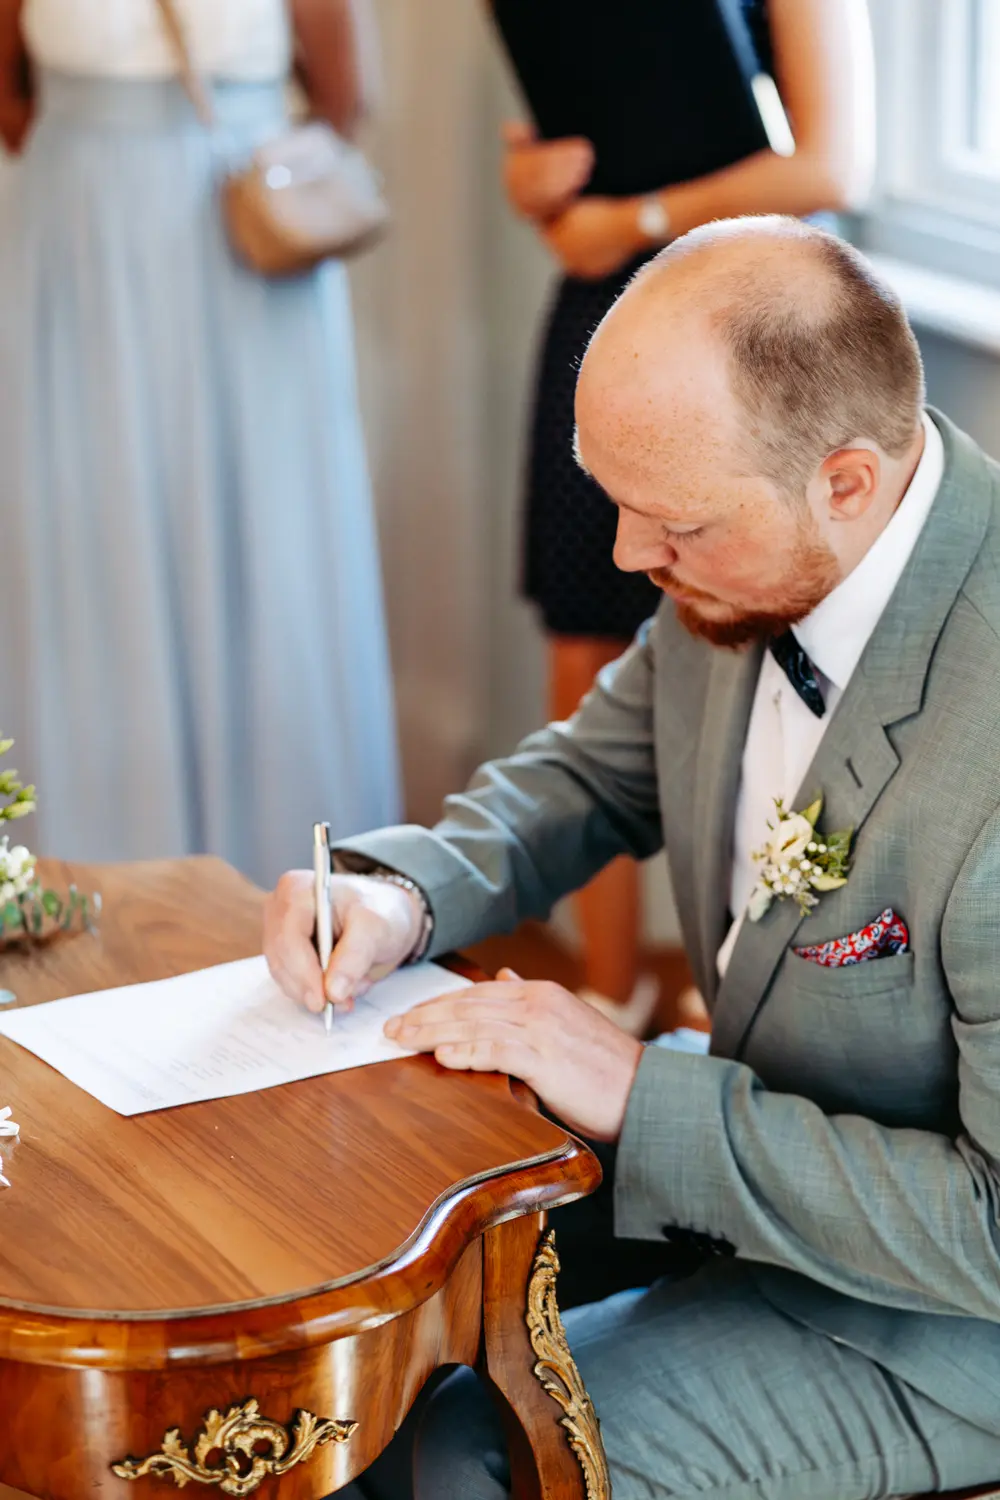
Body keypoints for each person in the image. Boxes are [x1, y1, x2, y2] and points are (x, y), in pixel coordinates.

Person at [264, 219, 1000, 1498]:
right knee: (332, 1299)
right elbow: (594, 773)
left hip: (934, 1330)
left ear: (846, 481)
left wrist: (633, 1086)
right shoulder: (736, 535)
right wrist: (400, 892)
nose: (625, 558)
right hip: (757, 1147)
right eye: (616, 502)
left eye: (670, 526)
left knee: (433, 1460)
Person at [501, 0, 875, 1028]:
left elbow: (835, 165)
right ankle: (607, 991)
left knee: (772, 652)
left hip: (762, 322)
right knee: (583, 651)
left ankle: (774, 1000)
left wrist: (635, 220)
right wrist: (532, 182)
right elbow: (547, 144)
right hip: (606, 309)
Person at [0, 0, 399, 889]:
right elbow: (10, 100)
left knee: (262, 530)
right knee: (82, 523)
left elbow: (344, 95)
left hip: (237, 234)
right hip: (75, 233)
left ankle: (277, 880)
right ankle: (85, 870)